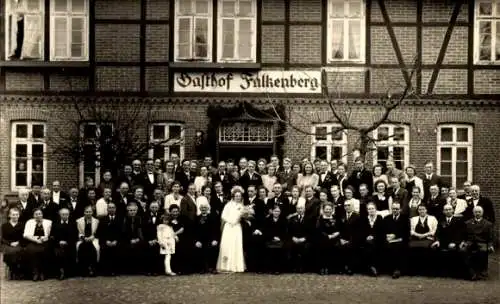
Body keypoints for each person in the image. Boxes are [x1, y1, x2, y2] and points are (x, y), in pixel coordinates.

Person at [460, 206, 495, 281]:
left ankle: (482, 272)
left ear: (482, 213)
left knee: (483, 251)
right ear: (473, 213)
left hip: (482, 242)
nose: (477, 213)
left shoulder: (488, 224)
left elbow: (491, 237)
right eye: (476, 212)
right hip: (470, 242)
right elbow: (464, 235)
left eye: (479, 212)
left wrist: (490, 245)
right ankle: (471, 272)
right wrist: (463, 242)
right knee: (463, 251)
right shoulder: (468, 223)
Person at [217, 186, 246, 273]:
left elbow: (243, 216)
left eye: (239, 196)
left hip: (237, 227)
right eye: (236, 196)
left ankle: (237, 266)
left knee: (236, 244)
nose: (238, 197)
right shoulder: (228, 205)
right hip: (229, 227)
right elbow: (223, 215)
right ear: (233, 196)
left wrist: (239, 219)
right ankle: (226, 266)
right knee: (227, 245)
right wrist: (231, 221)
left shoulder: (242, 206)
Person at [431, 204, 465, 278]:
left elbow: (460, 234)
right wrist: (437, 240)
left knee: (453, 250)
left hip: (454, 242)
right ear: (443, 211)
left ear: (453, 210)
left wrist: (455, 242)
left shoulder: (458, 220)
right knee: (435, 248)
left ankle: (454, 272)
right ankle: (439, 272)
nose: (448, 211)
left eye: (449, 209)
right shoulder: (441, 220)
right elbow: (437, 232)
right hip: (443, 242)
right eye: (446, 210)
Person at [23, 208, 52, 281]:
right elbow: (26, 235)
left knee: (45, 251)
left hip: (44, 241)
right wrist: (35, 240)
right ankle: (35, 272)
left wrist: (46, 238)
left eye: (40, 214)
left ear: (42, 214)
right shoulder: (29, 222)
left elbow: (51, 234)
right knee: (31, 251)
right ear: (33, 215)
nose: (38, 215)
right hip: (33, 241)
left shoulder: (48, 222)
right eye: (36, 214)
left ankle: (42, 273)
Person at [383, 202, 409, 279]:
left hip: (401, 239)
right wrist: (387, 236)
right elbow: (383, 230)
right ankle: (389, 269)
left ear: (400, 209)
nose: (395, 210)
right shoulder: (387, 218)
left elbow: (406, 232)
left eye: (397, 209)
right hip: (389, 239)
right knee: (386, 245)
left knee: (397, 247)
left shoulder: (405, 218)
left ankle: (397, 269)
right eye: (393, 209)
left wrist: (395, 235)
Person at [193, 202, 220, 274]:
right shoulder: (196, 218)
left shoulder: (212, 217)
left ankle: (212, 267)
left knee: (214, 247)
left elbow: (215, 230)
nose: (203, 209)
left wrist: (215, 239)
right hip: (200, 240)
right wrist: (196, 241)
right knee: (198, 248)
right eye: (202, 208)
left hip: (210, 239)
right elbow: (195, 231)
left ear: (208, 208)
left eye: (205, 207)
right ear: (200, 209)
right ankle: (202, 268)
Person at [51, 208, 77, 280]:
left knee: (70, 251)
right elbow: (52, 236)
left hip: (69, 244)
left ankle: (68, 271)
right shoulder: (55, 223)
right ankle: (61, 271)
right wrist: (59, 242)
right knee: (58, 252)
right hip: (58, 243)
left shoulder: (73, 223)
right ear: (60, 215)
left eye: (67, 214)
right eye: (63, 214)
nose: (65, 216)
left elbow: (75, 236)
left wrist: (67, 242)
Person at [315, 203, 341, 275]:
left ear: (332, 210)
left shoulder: (335, 218)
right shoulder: (319, 218)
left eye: (330, 209)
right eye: (326, 209)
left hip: (334, 238)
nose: (328, 211)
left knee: (333, 248)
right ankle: (322, 267)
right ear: (323, 210)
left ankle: (329, 268)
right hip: (322, 238)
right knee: (323, 246)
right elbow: (318, 230)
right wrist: (328, 236)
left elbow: (339, 228)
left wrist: (336, 234)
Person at [97, 202, 122, 276]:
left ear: (115, 209)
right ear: (107, 209)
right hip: (106, 241)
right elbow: (100, 233)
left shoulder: (120, 218)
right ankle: (106, 270)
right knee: (105, 249)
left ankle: (115, 270)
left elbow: (122, 232)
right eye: (110, 208)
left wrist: (116, 240)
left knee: (118, 248)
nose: (111, 209)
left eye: (113, 207)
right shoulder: (103, 219)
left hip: (116, 240)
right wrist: (106, 241)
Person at [359, 203, 384, 276]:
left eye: (372, 208)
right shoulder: (364, 219)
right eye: (369, 209)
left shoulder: (379, 218)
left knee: (373, 246)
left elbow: (381, 231)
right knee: (368, 245)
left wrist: (373, 236)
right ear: (367, 210)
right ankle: (372, 267)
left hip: (378, 239)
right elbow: (362, 231)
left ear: (375, 209)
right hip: (366, 240)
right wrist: (366, 236)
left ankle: (373, 267)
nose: (371, 210)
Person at [76, 205, 100, 277]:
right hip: (82, 239)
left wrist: (92, 237)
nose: (88, 213)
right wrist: (84, 238)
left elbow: (97, 232)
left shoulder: (96, 221)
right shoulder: (79, 221)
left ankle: (92, 268)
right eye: (86, 212)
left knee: (93, 248)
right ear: (84, 212)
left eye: (90, 212)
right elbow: (78, 232)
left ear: (92, 212)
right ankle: (84, 269)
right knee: (82, 247)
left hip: (93, 239)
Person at [263, 205, 288, 274]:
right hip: (270, 239)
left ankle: (278, 269)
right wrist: (273, 237)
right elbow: (266, 231)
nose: (276, 213)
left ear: (280, 212)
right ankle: (270, 268)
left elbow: (285, 231)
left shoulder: (283, 220)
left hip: (280, 239)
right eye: (275, 211)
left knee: (279, 251)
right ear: (272, 212)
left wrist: (279, 238)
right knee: (270, 251)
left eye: (278, 211)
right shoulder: (267, 219)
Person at [1, 208, 25, 279]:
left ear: (19, 215)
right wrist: (10, 243)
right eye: (13, 215)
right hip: (7, 244)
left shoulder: (22, 225)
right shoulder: (4, 226)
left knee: (18, 251)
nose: (15, 216)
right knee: (10, 252)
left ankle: (14, 270)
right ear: (9, 215)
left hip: (19, 243)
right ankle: (14, 270)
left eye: (17, 214)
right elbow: (2, 238)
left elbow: (24, 236)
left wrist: (18, 242)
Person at [287, 204, 311, 273]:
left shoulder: (309, 218)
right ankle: (293, 267)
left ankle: (303, 267)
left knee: (305, 248)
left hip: (305, 239)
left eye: (301, 208)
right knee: (290, 247)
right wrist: (293, 237)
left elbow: (311, 231)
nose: (300, 210)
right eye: (298, 208)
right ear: (296, 209)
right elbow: (289, 231)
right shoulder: (292, 219)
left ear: (304, 209)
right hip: (294, 239)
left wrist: (305, 238)